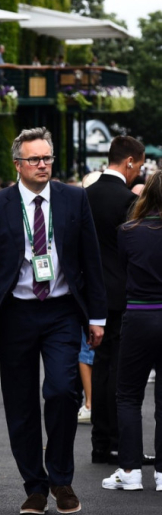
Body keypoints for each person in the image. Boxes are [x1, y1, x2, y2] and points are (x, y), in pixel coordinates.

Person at [0, 127, 107, 515]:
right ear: (18, 164)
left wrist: (97, 317)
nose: (43, 164)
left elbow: (90, 260)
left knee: (63, 391)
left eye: (47, 158)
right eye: (35, 159)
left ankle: (62, 479)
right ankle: (35, 486)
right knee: (21, 402)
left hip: (63, 311)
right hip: (15, 314)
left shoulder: (74, 199)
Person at [85, 136, 154, 466]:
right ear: (129, 161)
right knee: (118, 371)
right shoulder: (128, 201)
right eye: (139, 166)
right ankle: (115, 443)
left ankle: (100, 443)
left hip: (89, 295)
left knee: (99, 366)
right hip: (122, 295)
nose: (138, 172)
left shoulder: (84, 196)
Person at [102, 171, 162, 492]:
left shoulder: (127, 232)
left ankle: (130, 469)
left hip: (138, 313)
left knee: (128, 395)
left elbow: (125, 270)